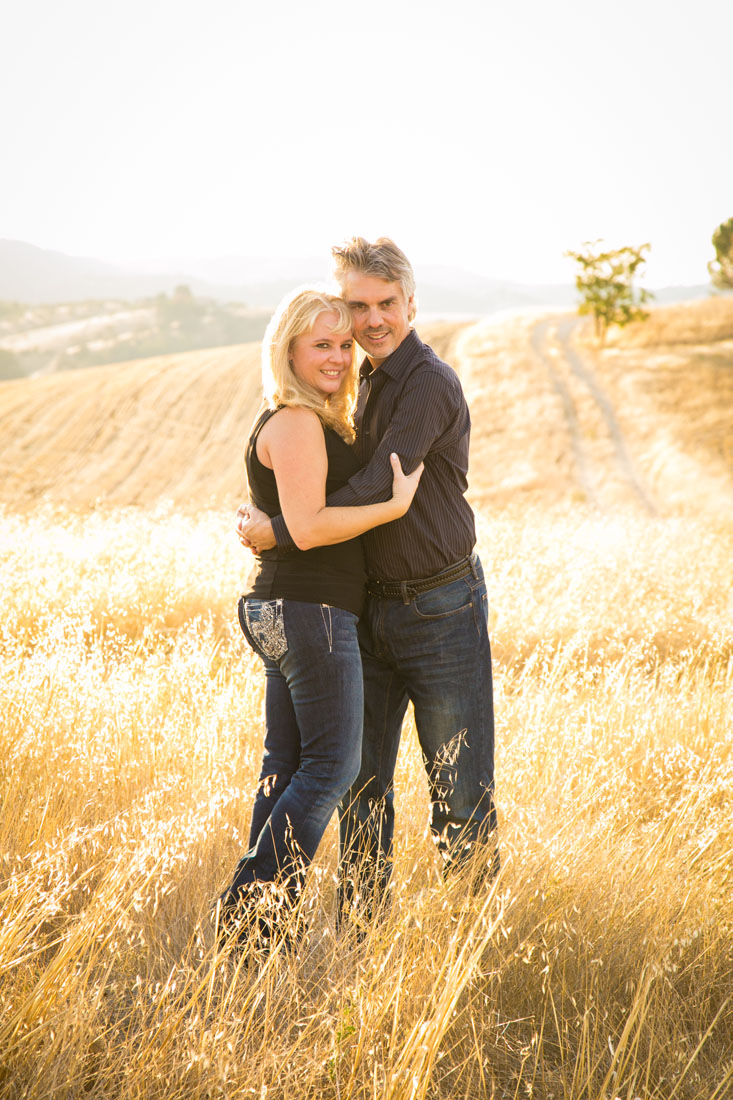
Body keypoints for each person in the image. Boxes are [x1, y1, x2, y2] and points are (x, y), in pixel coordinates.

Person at [238, 238, 498, 929]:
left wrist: (282, 528)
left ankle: (468, 944)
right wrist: (279, 510)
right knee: (360, 789)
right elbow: (313, 475)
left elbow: (378, 483)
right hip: (362, 615)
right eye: (359, 306)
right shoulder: (360, 379)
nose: (373, 319)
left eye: (386, 303)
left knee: (460, 789)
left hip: (440, 606)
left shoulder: (427, 383)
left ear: (410, 303)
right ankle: (360, 933)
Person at [217, 286, 422, 950]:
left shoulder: (295, 417)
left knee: (286, 764)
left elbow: (287, 520)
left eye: (342, 345)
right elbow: (309, 525)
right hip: (312, 612)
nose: (337, 357)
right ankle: (245, 912)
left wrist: (269, 527)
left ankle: (256, 938)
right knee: (333, 767)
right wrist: (391, 509)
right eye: (321, 345)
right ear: (288, 351)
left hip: (282, 607)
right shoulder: (299, 421)